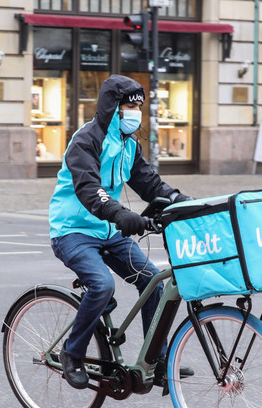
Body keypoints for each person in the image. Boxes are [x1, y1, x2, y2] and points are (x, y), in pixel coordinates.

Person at [48, 74, 194, 390]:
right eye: (130, 106)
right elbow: (89, 189)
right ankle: (72, 353)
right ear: (113, 107)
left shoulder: (129, 143)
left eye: (139, 107)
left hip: (108, 231)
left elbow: (149, 183)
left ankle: (157, 360)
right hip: (72, 231)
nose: (136, 113)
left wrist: (179, 200)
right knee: (102, 285)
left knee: (152, 281)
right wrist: (121, 214)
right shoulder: (86, 140)